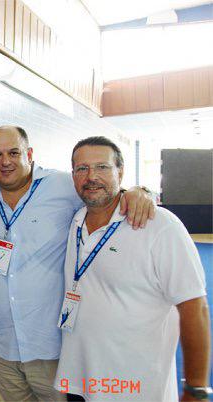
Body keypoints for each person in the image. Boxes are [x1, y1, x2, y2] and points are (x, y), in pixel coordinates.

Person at [0, 126, 155, 401]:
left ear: (29, 153)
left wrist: (139, 190)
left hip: (51, 345)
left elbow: (105, 195)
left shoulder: (62, 186)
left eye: (14, 152)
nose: (5, 161)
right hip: (1, 347)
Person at [54, 136, 211, 401]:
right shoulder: (76, 220)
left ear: (121, 172)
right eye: (82, 169)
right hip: (79, 378)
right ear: (73, 175)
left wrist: (196, 387)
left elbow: (195, 307)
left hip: (135, 387)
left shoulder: (159, 224)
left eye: (102, 167)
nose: (91, 176)